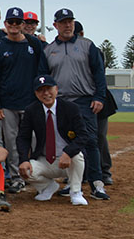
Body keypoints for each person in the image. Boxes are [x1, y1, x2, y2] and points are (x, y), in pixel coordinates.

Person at [45, 8, 109, 200]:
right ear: (55, 25)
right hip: (60, 102)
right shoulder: (48, 50)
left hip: (84, 100)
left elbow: (99, 73)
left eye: (70, 22)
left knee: (90, 141)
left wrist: (99, 97)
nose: (67, 25)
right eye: (63, 22)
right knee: (67, 143)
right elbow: (44, 77)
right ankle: (73, 184)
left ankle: (97, 183)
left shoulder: (87, 45)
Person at [0, 7, 48, 194]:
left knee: (36, 141)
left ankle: (37, 176)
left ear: (23, 24)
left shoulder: (34, 44)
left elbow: (42, 73)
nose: (14, 25)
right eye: (11, 22)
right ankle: (16, 177)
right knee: (12, 143)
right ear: (5, 24)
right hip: (8, 103)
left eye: (18, 22)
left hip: (31, 102)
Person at [16, 75, 91, 206]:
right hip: (45, 159)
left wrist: (68, 152)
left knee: (77, 156)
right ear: (36, 93)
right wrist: (24, 160)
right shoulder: (31, 110)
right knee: (24, 170)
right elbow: (23, 137)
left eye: (49, 89)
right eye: (41, 90)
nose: (46, 93)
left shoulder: (71, 108)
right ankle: (48, 187)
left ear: (56, 89)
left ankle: (76, 192)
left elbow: (83, 135)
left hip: (67, 160)